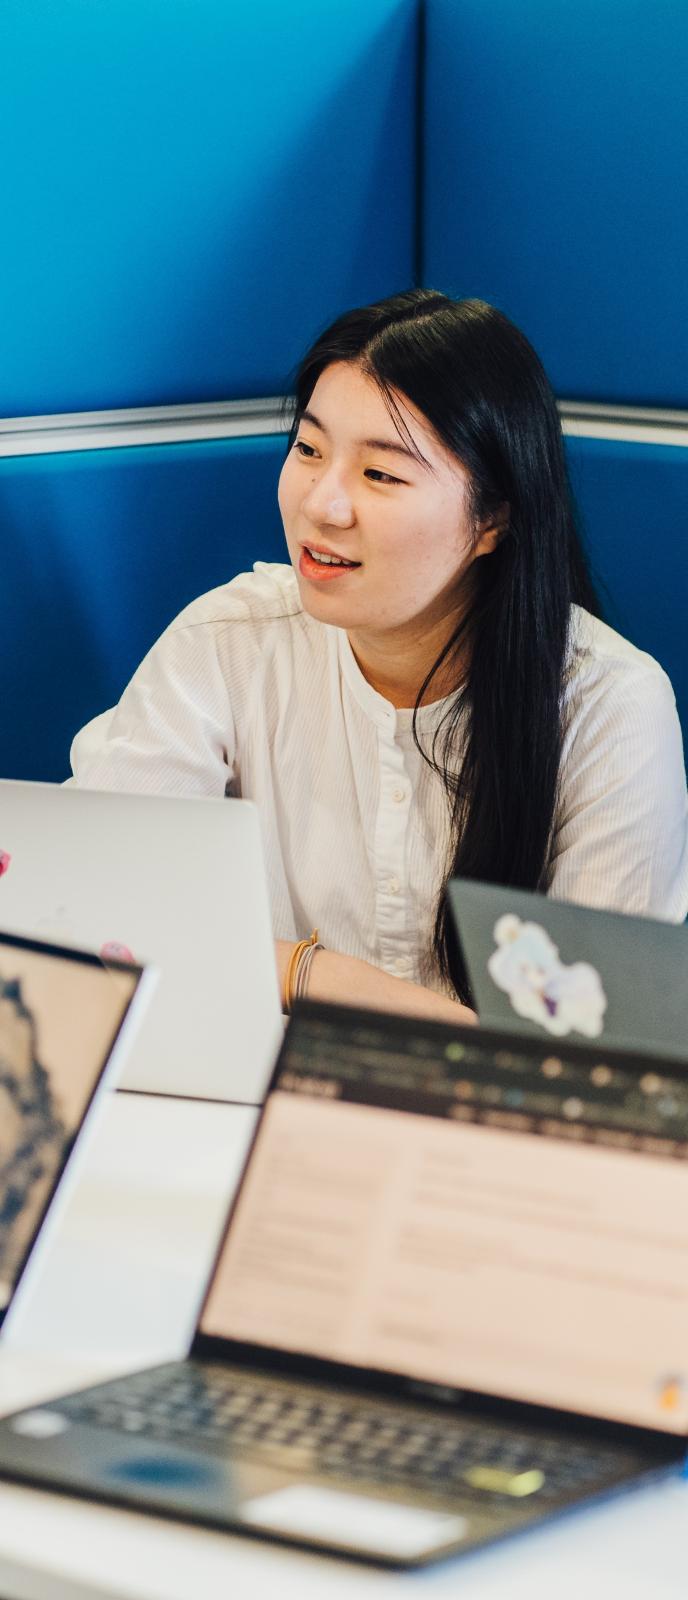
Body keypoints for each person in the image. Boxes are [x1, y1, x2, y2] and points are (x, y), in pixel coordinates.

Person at [70, 291, 688, 1018]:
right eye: (308, 449)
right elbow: (93, 912)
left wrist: (276, 973)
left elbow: (589, 1047)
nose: (322, 504)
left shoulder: (608, 705)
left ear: (493, 519)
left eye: (380, 474)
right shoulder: (227, 644)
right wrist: (315, 974)